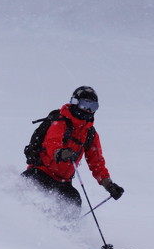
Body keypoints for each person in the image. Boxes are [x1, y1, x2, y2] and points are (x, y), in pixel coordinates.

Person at [21, 86, 124, 219]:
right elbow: (52, 142)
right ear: (75, 103)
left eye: (93, 106)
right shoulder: (61, 121)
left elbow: (96, 163)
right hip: (41, 172)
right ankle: (22, 227)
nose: (88, 110)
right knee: (32, 195)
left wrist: (109, 185)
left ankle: (66, 235)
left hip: (63, 182)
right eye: (85, 104)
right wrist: (60, 153)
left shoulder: (90, 134)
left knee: (74, 202)